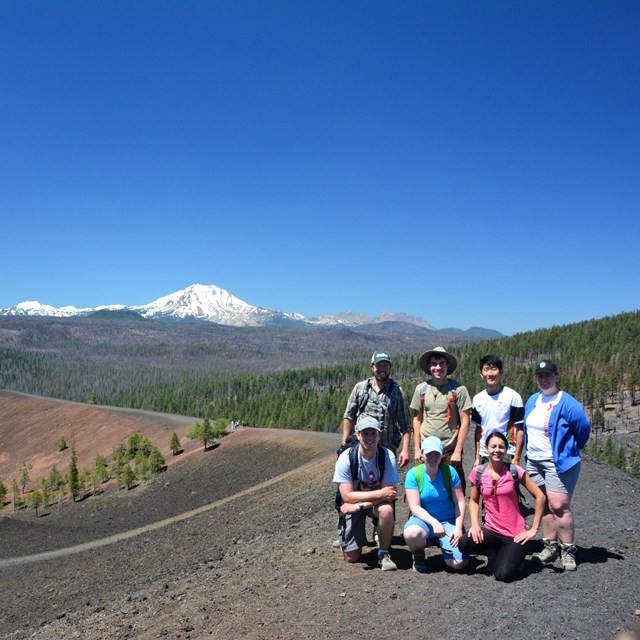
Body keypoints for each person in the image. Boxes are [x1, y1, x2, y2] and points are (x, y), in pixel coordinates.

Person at [523, 360, 590, 571]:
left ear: (557, 376)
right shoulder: (533, 400)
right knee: (543, 503)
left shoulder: (568, 403)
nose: (544, 379)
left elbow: (583, 430)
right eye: (540, 376)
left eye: (548, 375)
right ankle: (550, 545)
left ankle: (568, 549)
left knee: (559, 505)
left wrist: (568, 450)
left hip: (557, 463)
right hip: (533, 461)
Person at [458, 430, 545, 582]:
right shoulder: (478, 473)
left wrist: (533, 529)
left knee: (502, 575)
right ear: (486, 448)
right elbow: (473, 500)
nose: (497, 450)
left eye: (501, 447)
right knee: (464, 543)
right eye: (493, 446)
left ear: (506, 449)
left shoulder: (514, 471)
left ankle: (514, 557)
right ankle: (493, 552)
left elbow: (540, 496)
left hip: (515, 535)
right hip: (492, 530)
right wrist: (474, 525)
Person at [333, 416, 399, 571]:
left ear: (379, 435)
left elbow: (389, 495)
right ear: (357, 435)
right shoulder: (346, 458)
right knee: (351, 558)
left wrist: (360, 505)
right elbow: (347, 496)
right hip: (352, 503)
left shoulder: (387, 456)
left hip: (359, 504)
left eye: (373, 433)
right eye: (365, 433)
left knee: (386, 510)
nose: (370, 438)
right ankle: (344, 533)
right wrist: (379, 495)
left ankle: (383, 552)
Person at [403, 435, 469, 573]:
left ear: (441, 455)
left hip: (448, 519)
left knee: (459, 563)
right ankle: (418, 555)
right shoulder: (413, 474)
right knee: (411, 534)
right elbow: (414, 506)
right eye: (429, 454)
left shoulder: (449, 472)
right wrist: (434, 522)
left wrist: (457, 528)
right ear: (422, 454)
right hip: (424, 520)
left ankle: (446, 546)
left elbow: (460, 502)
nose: (433, 458)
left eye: (436, 454)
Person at [411, 346, 472, 492]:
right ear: (429, 366)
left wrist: (458, 451)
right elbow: (417, 419)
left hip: (449, 451)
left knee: (453, 491)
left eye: (441, 363)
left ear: (447, 365)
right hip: (426, 450)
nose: (438, 367)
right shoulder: (422, 389)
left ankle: (454, 515)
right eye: (434, 364)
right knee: (423, 489)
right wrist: (417, 448)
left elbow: (465, 421)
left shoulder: (458, 390)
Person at [342, 350, 412, 468]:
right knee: (356, 484)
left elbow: (406, 426)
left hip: (386, 451)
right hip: (360, 449)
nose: (382, 369)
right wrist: (344, 442)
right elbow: (349, 416)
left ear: (390, 367)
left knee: (386, 485)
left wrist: (405, 450)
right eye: (379, 365)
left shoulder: (397, 392)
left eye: (385, 365)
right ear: (372, 367)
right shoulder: (361, 388)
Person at [472, 354, 524, 466]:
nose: (490, 374)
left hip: (506, 452)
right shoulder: (477, 399)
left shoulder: (513, 397)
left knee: (507, 483)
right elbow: (478, 431)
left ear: (500, 372)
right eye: (486, 369)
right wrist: (477, 458)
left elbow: (520, 430)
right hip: (485, 453)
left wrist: (516, 458)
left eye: (494, 369)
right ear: (481, 374)